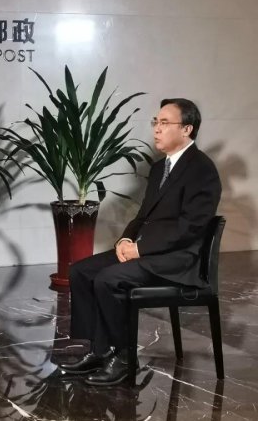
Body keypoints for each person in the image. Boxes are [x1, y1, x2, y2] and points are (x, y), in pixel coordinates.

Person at [59, 98, 221, 386]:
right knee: (81, 271)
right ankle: (99, 350)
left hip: (178, 259)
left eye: (165, 123)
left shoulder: (202, 169)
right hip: (148, 252)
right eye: (155, 122)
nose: (156, 129)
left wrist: (140, 249)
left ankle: (124, 357)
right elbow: (143, 215)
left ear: (187, 129)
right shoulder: (160, 169)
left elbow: (190, 228)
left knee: (109, 279)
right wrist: (125, 239)